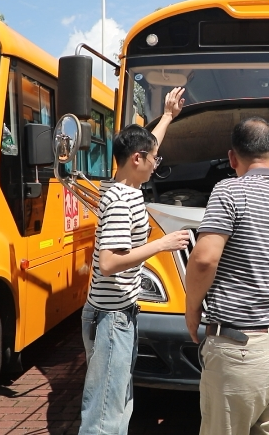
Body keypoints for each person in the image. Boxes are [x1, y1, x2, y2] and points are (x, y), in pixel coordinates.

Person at [184, 116, 269, 435]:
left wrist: (193, 310)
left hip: (240, 350)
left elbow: (204, 260)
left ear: (233, 158)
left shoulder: (228, 191)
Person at [79, 87, 192, 435]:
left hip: (111, 312)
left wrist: (169, 116)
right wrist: (162, 244)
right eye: (152, 159)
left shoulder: (121, 186)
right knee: (104, 416)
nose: (157, 163)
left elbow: (148, 146)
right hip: (113, 319)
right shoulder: (122, 201)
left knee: (115, 402)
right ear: (137, 159)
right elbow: (110, 263)